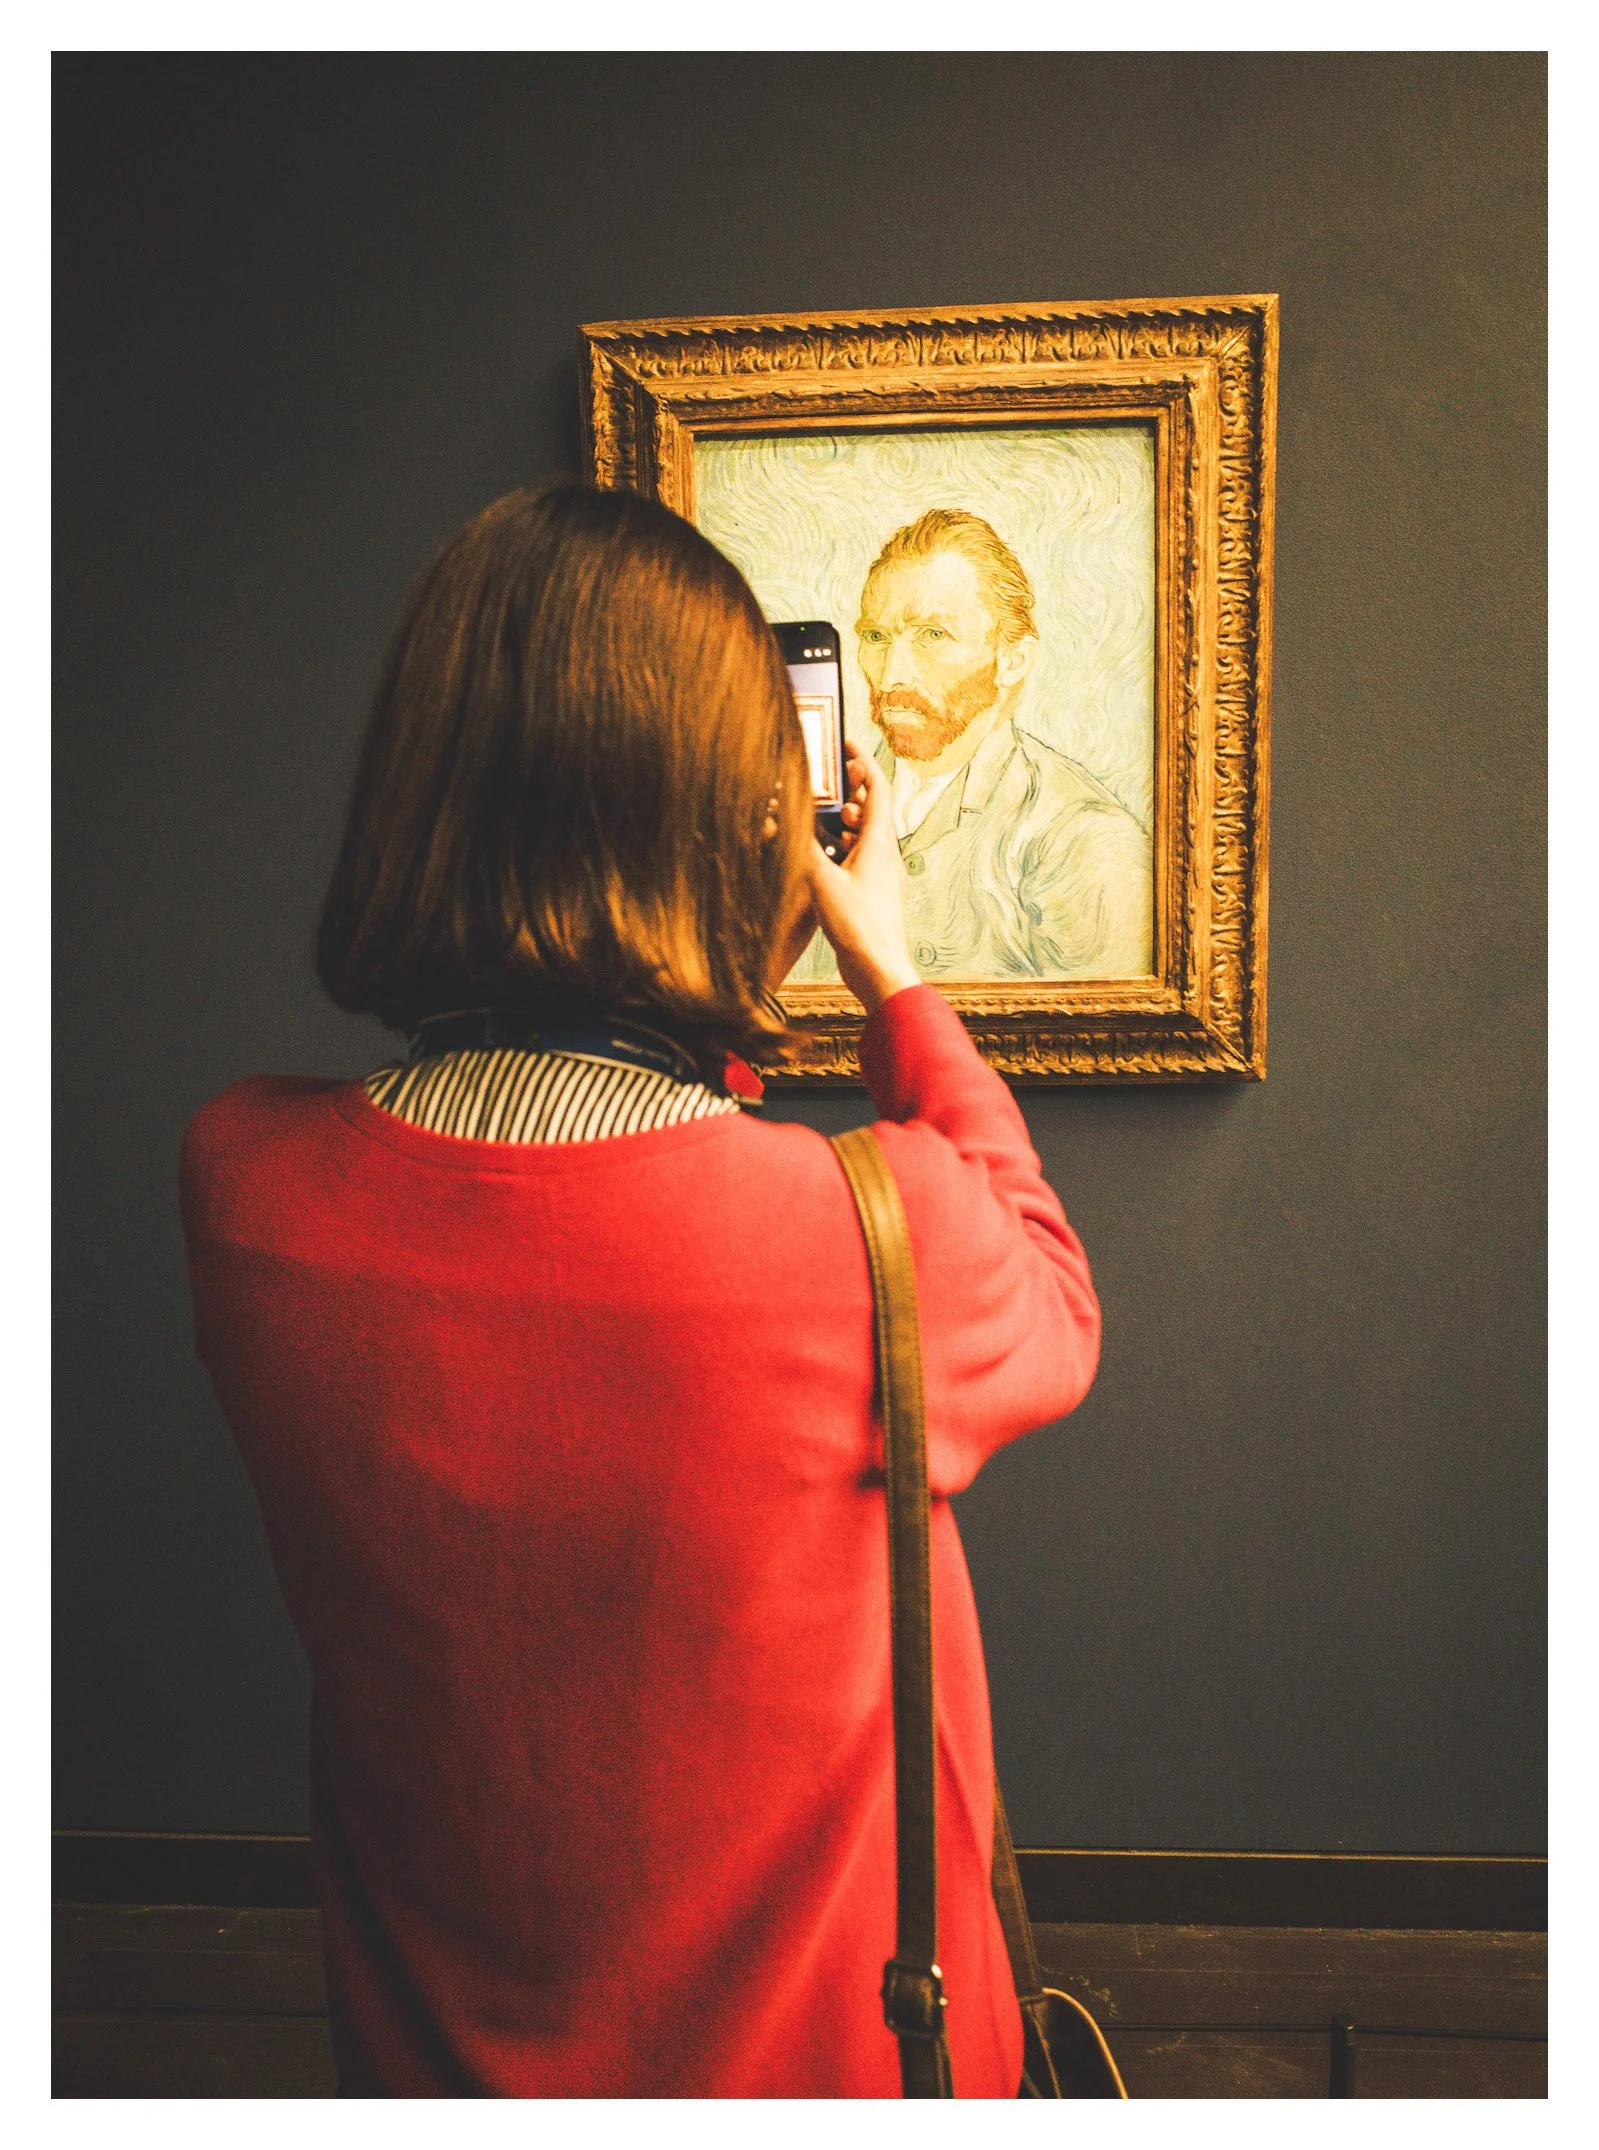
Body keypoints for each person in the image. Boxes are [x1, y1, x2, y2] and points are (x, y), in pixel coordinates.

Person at [180, 482, 1103, 2098]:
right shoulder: (868, 1236)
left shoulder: (242, 1184)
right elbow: (1049, 1296)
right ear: (732, 825)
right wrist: (886, 968)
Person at [795, 507, 1153, 984]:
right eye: (876, 637)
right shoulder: (817, 808)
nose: (892, 673)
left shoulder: (1086, 839)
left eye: (933, 635)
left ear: (1013, 661)